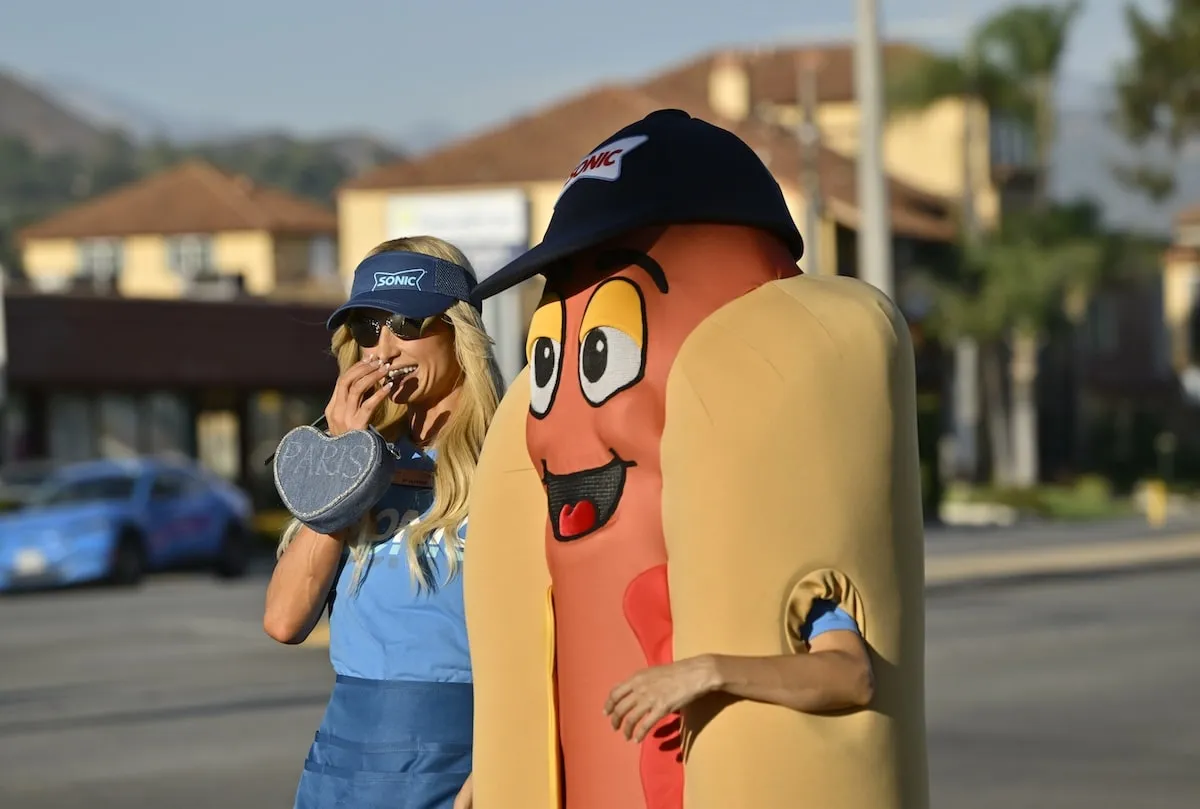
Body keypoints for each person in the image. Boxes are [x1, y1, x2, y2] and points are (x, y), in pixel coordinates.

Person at [462, 109, 927, 809]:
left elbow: (849, 674)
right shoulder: (549, 528)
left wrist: (705, 672)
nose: (563, 426)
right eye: (557, 353)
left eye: (602, 353)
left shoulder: (764, 520)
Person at [263, 235, 502, 809]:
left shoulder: (513, 451)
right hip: (344, 753)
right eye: (370, 329)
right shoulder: (359, 456)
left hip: (463, 749)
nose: (386, 349)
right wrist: (343, 468)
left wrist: (501, 758)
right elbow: (284, 620)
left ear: (458, 329)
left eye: (407, 324)